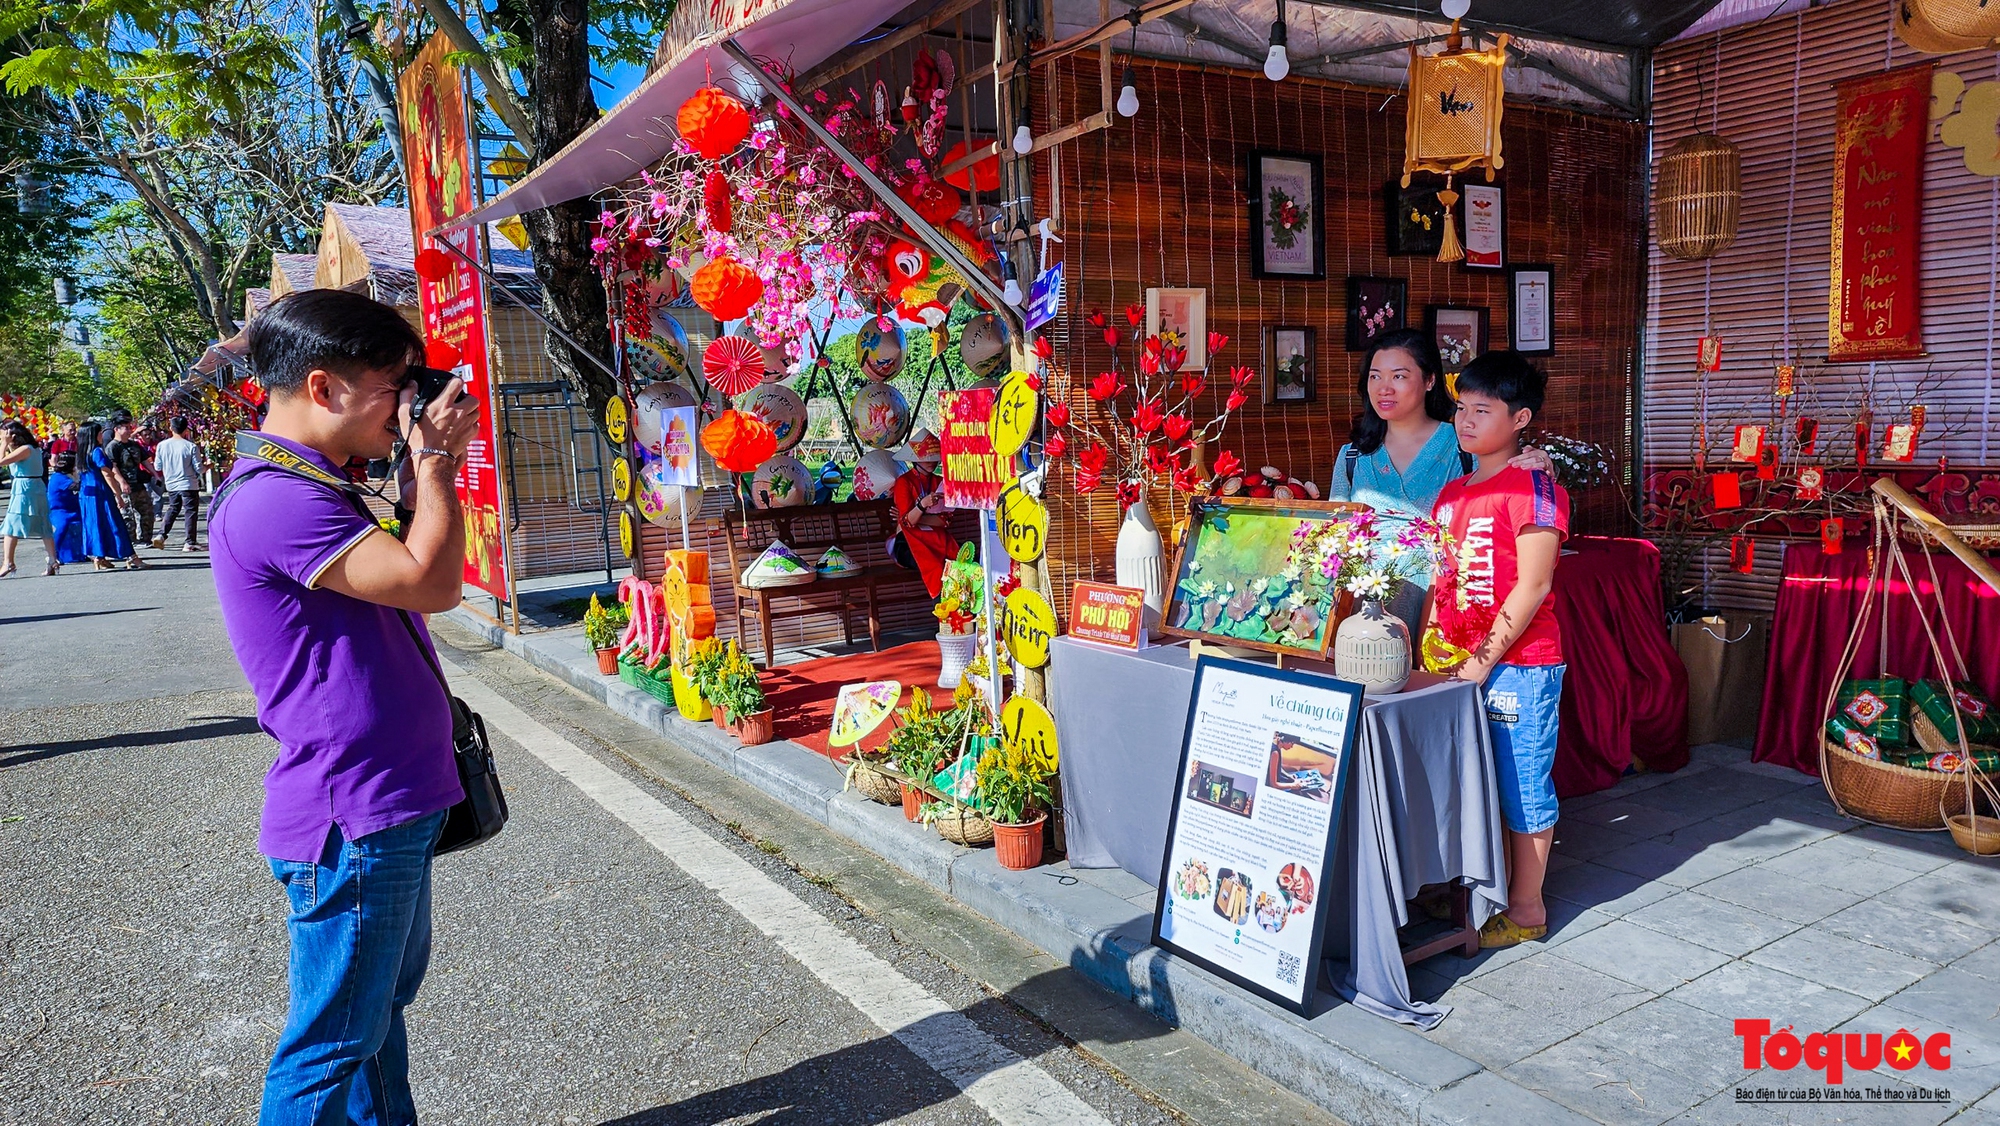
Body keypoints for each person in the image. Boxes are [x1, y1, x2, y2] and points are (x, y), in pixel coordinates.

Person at [208, 288, 478, 1126]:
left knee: (371, 1023)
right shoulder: (279, 497)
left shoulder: (313, 481)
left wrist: (412, 467)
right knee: (330, 1043)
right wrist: (434, 465)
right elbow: (430, 583)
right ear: (323, 388)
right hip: (352, 811)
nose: (410, 402)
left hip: (384, 798)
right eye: (396, 383)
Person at [1425, 350, 1569, 951]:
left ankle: (1528, 907)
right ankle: (1476, 892)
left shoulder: (1535, 487)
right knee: (1470, 780)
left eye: (1483, 411)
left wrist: (1483, 659)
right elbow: (1442, 582)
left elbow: (1534, 584)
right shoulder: (1451, 494)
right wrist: (1430, 650)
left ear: (1521, 419)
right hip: (1456, 662)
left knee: (1523, 784)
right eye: (1462, 409)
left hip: (1520, 665)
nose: (1466, 422)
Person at [1329, 328, 1550, 636]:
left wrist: (1540, 462)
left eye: (1399, 376)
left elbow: (1516, 495)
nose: (1384, 389)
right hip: (1363, 607)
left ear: (1430, 380)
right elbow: (1335, 537)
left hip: (1445, 599)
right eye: (1375, 376)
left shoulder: (1465, 444)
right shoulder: (1353, 456)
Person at [885, 427, 956, 597]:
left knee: (961, 563)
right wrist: (922, 506)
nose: (931, 461)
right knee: (937, 567)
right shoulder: (904, 482)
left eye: (934, 457)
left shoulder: (940, 482)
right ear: (914, 460)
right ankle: (944, 612)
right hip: (907, 542)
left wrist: (916, 516)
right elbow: (908, 523)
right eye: (925, 458)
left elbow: (944, 521)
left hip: (937, 538)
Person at [79, 425, 143, 570]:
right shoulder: (97, 451)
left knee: (95, 525)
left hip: (87, 494)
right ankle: (131, 557)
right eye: (100, 432)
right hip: (101, 492)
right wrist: (117, 494)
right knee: (115, 522)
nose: (102, 435)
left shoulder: (82, 453)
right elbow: (107, 473)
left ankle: (99, 556)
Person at [0, 421, 58, 577]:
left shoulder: (25, 449)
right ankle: (52, 560)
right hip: (33, 486)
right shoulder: (32, 448)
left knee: (11, 524)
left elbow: (1, 461)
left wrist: (4, 444)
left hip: (25, 488)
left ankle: (8, 562)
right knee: (42, 523)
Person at [154, 417, 207, 550]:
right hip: (188, 484)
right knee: (190, 511)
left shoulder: (162, 445)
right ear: (186, 429)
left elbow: (157, 467)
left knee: (173, 508)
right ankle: (190, 542)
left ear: (171, 428)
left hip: (171, 484)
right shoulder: (191, 446)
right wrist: (209, 466)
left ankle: (161, 535)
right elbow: (199, 469)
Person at [106, 418, 157, 547]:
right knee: (127, 516)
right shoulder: (113, 447)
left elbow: (145, 460)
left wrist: (155, 474)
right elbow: (112, 467)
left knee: (147, 511)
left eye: (130, 427)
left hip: (138, 484)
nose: (129, 430)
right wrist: (122, 482)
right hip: (124, 487)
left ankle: (145, 538)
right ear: (117, 429)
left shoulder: (134, 445)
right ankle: (130, 542)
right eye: (125, 428)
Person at [46, 451, 84, 564]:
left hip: (73, 509)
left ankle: (82, 552)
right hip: (60, 510)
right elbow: (75, 487)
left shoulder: (70, 475)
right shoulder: (58, 477)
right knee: (62, 527)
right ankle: (54, 553)